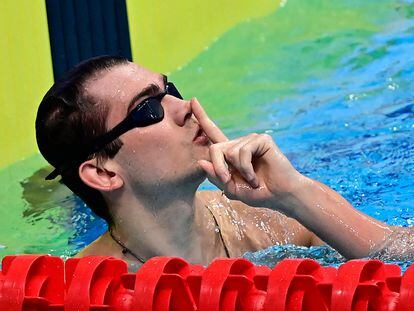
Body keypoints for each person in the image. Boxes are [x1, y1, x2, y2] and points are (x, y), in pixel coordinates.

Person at [35, 56, 400, 268]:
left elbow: (404, 256)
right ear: (102, 172)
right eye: (148, 109)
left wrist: (295, 194)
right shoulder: (85, 285)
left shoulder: (270, 223)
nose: (186, 107)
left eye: (170, 91)